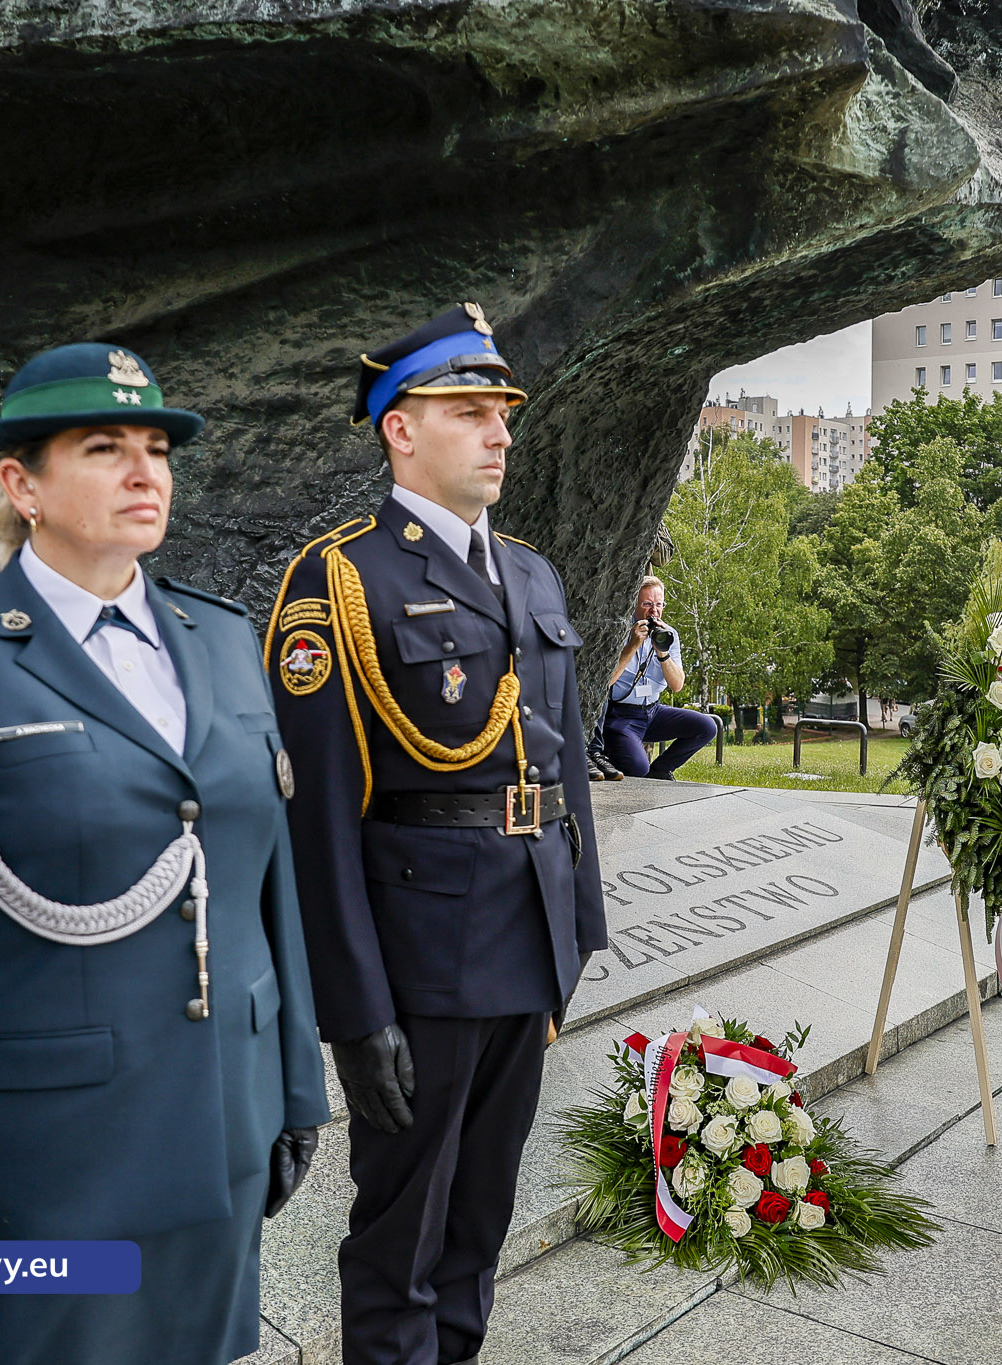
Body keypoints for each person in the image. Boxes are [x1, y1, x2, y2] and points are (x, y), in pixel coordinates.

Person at [0, 343, 328, 1364]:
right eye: (105, 448)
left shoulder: (223, 638)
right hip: (48, 1173)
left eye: (157, 448)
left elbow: (265, 884)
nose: (147, 472)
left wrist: (295, 1085)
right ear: (23, 484)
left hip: (221, 1130)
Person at [268, 304, 606, 1365]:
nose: (500, 432)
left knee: (480, 1221)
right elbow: (316, 818)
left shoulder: (536, 576)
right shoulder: (343, 581)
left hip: (523, 943)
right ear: (398, 429)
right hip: (421, 958)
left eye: (502, 412)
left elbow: (563, 773)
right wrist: (352, 1009)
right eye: (468, 411)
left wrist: (573, 941)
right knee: (399, 1235)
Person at [602, 575, 718, 780]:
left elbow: (677, 685)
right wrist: (633, 645)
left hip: (653, 711)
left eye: (658, 604)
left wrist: (662, 652)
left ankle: (661, 769)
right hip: (622, 715)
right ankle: (616, 753)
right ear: (634, 604)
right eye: (647, 604)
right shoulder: (619, 632)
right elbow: (605, 682)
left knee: (707, 727)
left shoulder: (668, 634)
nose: (654, 611)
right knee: (638, 769)